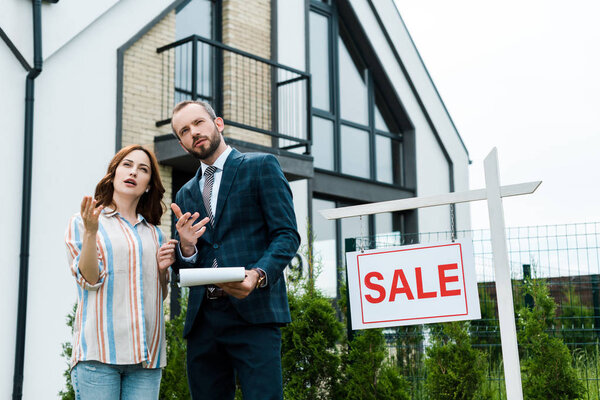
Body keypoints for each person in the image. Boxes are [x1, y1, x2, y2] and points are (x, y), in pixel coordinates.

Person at [170, 100, 300, 400]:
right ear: (181, 142)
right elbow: (186, 265)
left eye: (199, 123)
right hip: (204, 321)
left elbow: (286, 235)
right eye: (185, 131)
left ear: (218, 123)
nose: (194, 133)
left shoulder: (260, 166)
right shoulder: (185, 193)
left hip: (254, 311)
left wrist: (257, 275)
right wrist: (186, 248)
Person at [65, 145, 192, 399]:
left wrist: (162, 271)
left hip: (146, 360)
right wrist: (91, 233)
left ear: (148, 185)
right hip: (99, 357)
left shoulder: (155, 233)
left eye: (142, 169)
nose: (133, 172)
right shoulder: (85, 222)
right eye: (127, 165)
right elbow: (89, 280)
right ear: (113, 174)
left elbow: (160, 294)